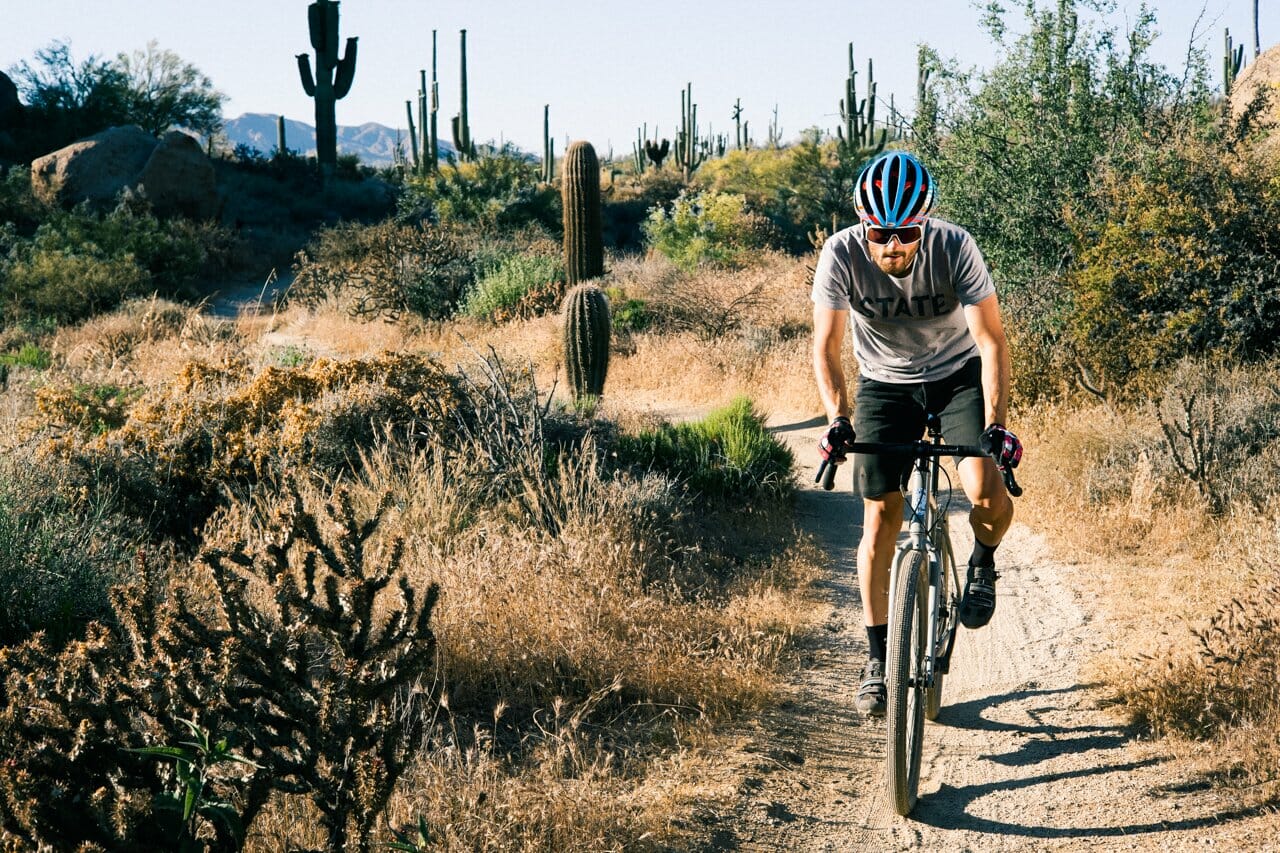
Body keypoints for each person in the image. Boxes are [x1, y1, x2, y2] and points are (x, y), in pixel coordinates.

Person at [810, 150, 1023, 717]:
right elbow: (826, 346)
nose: (893, 246)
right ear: (863, 225)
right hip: (884, 384)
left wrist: (997, 427)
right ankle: (878, 657)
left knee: (985, 491)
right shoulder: (840, 254)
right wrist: (837, 417)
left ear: (924, 224)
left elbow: (991, 341)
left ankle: (982, 561)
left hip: (957, 378)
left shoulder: (956, 247)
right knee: (880, 514)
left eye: (906, 232)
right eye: (880, 233)